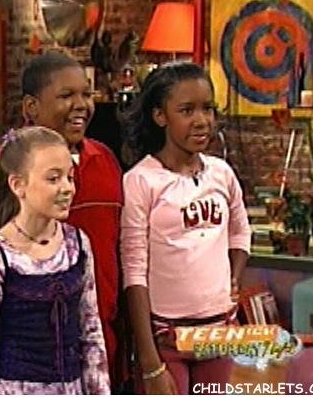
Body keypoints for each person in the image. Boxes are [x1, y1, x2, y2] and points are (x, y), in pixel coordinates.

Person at [0, 51, 125, 388]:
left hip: (94, 351)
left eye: (86, 94)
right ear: (31, 107)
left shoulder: (106, 161)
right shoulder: (5, 166)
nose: (81, 104)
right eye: (66, 95)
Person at [120, 62, 251, 394]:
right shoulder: (141, 181)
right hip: (166, 338)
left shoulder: (221, 173)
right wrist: (149, 362)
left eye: (208, 108)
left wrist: (234, 277)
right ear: (159, 115)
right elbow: (133, 270)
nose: (202, 120)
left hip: (220, 334)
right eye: (187, 110)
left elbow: (240, 231)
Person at [0, 126, 110, 394]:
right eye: (53, 179)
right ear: (18, 185)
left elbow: (91, 334)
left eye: (70, 177)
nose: (67, 188)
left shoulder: (77, 244)